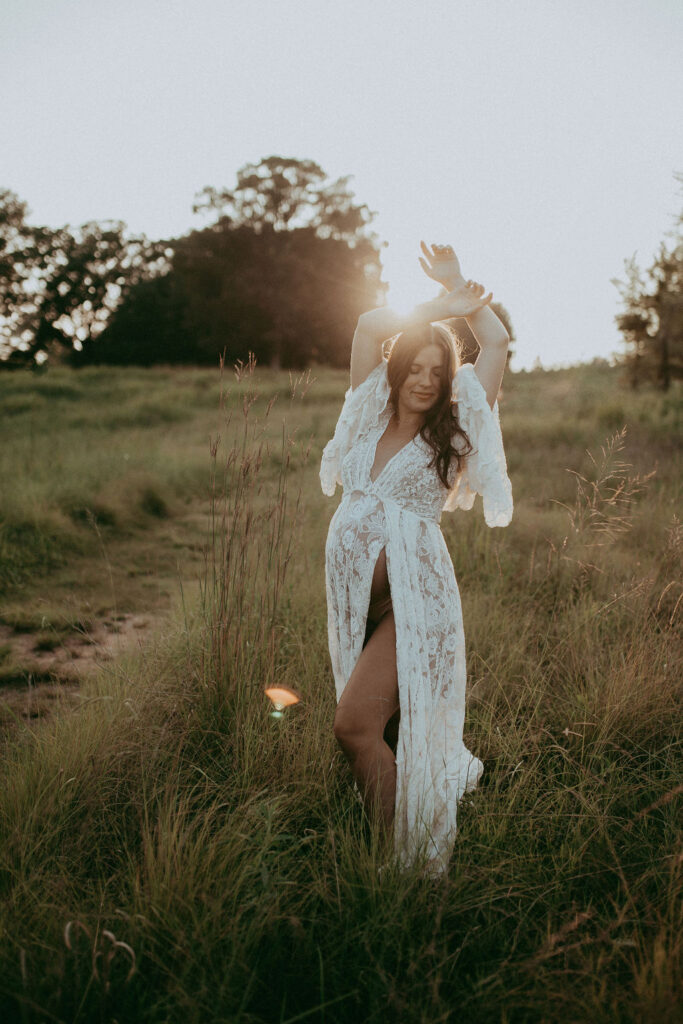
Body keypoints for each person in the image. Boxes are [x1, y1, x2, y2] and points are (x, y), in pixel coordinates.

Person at [319, 241, 513, 877]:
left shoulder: (454, 430)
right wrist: (437, 306)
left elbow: (497, 344)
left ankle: (403, 866)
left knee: (354, 728)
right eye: (419, 365)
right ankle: (391, 837)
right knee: (380, 729)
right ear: (399, 368)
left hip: (414, 599)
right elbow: (369, 325)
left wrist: (463, 291)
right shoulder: (368, 404)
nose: (428, 377)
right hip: (356, 600)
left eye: (440, 368)